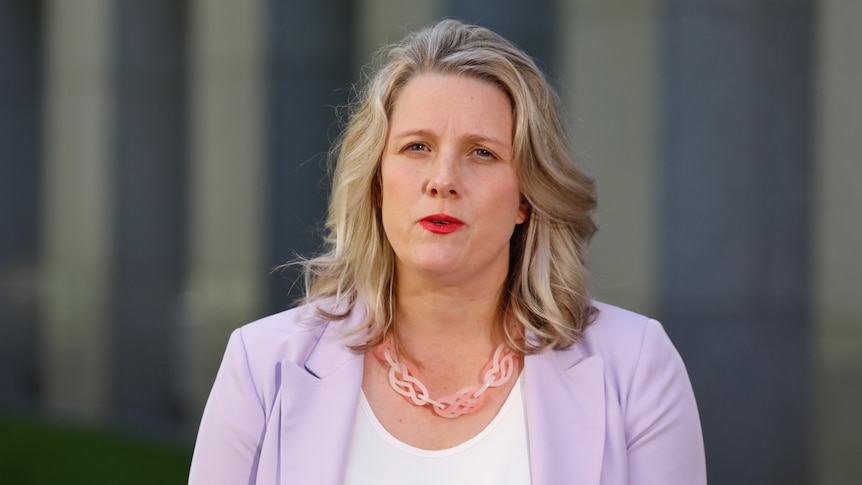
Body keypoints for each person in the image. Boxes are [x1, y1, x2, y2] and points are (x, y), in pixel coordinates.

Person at [188, 19, 706, 485]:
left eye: (482, 153)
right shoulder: (261, 366)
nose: (443, 181)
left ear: (527, 196)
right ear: (376, 183)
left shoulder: (636, 365)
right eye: (417, 147)